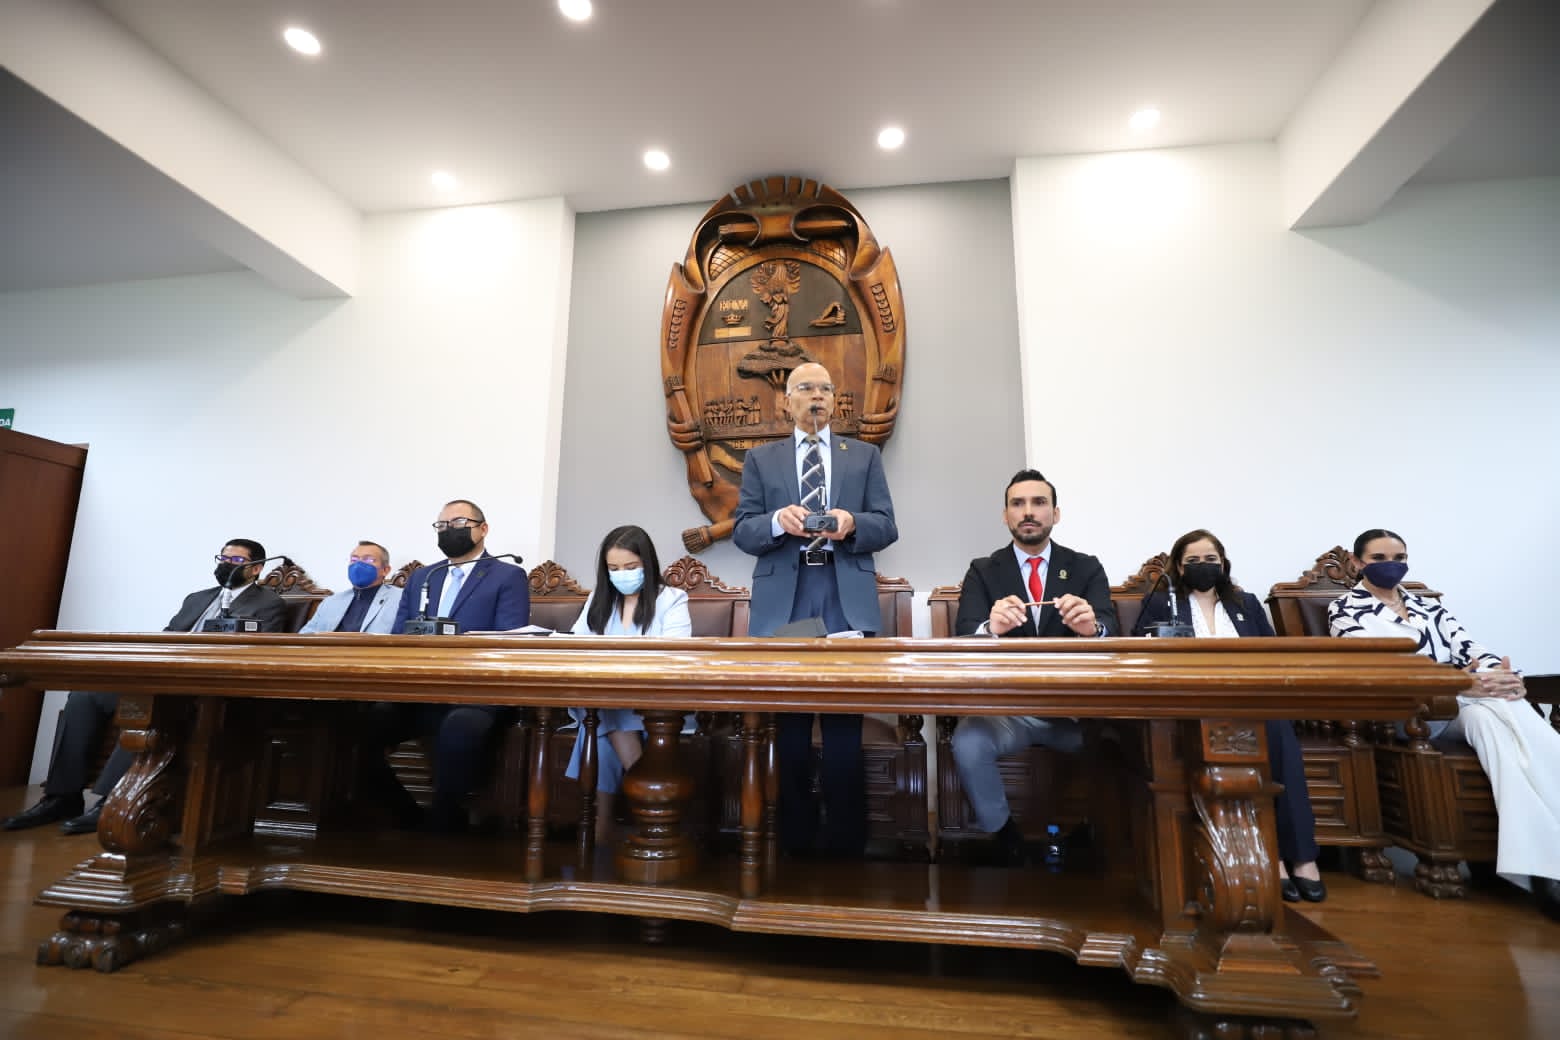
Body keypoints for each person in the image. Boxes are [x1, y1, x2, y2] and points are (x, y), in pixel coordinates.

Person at [1330, 528, 1560, 920]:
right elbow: (1379, 667)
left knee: (1496, 715)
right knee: (1500, 709)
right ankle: (1541, 873)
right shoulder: (1345, 609)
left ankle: (1542, 866)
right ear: (1357, 562)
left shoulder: (1428, 607)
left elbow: (1470, 648)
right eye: (1379, 558)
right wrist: (1460, 681)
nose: (1391, 565)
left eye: (1399, 557)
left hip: (1465, 705)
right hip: (1410, 713)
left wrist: (1501, 677)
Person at [2, 539, 288, 835]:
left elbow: (257, 651)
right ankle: (61, 797)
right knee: (85, 697)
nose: (226, 565)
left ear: (256, 569)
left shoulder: (267, 603)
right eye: (223, 558)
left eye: (236, 561)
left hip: (204, 692)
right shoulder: (197, 598)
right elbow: (166, 638)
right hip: (163, 677)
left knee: (147, 708)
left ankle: (113, 801)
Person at [733, 362, 898, 858]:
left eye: (825, 388)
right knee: (790, 728)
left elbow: (887, 525)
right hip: (788, 598)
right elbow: (743, 530)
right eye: (805, 388)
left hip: (842, 594)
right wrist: (776, 522)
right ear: (787, 401)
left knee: (844, 725)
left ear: (834, 400)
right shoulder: (761, 459)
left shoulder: (863, 456)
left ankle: (846, 841)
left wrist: (852, 523)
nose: (817, 396)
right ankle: (796, 839)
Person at [1132, 529, 1326, 902]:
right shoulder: (1162, 602)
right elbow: (1142, 648)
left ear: (1223, 563)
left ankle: (1301, 857)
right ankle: (1270, 858)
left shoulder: (1245, 603)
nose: (1203, 566)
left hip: (1249, 699)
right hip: (1192, 702)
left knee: (1280, 734)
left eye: (1210, 559)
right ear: (1179, 567)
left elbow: (1272, 654)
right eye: (1193, 561)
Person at [950, 469, 1115, 865]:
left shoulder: (1086, 567)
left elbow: (1111, 630)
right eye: (1018, 503)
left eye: (1039, 503)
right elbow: (965, 635)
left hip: (1075, 712)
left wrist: (1092, 630)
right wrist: (990, 628)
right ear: (1005, 515)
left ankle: (1100, 833)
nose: (1028, 512)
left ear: (1055, 514)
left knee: (1121, 740)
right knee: (968, 742)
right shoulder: (983, 570)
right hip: (1009, 711)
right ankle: (1004, 836)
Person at [365, 499, 532, 831]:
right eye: (441, 525)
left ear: (483, 529)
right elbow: (400, 636)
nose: (447, 530)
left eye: (457, 523)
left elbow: (509, 639)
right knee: (363, 722)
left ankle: (445, 820)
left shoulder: (507, 575)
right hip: (422, 690)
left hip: (478, 692)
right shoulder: (423, 577)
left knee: (461, 724)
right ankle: (407, 814)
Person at [563, 525, 692, 840]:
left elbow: (675, 656)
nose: (622, 575)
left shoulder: (672, 599)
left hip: (657, 705)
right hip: (602, 697)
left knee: (599, 725)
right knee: (606, 708)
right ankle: (648, 801)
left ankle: (601, 823)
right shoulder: (598, 600)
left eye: (631, 567)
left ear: (648, 563)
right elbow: (576, 647)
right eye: (614, 569)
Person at [299, 541, 403, 634]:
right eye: (354, 559)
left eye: (368, 559)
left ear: (385, 570)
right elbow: (305, 636)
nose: (358, 564)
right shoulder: (331, 602)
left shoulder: (401, 599)